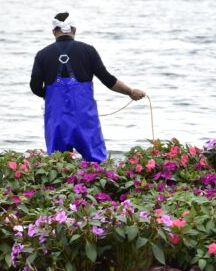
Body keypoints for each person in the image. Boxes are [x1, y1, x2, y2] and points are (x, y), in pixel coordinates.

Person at [30, 12, 145, 162]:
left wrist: (50, 96)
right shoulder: (88, 51)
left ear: (53, 32)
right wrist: (130, 92)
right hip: (84, 119)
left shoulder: (42, 55)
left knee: (58, 164)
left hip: (57, 119)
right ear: (74, 30)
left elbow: (35, 86)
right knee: (96, 162)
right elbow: (108, 80)